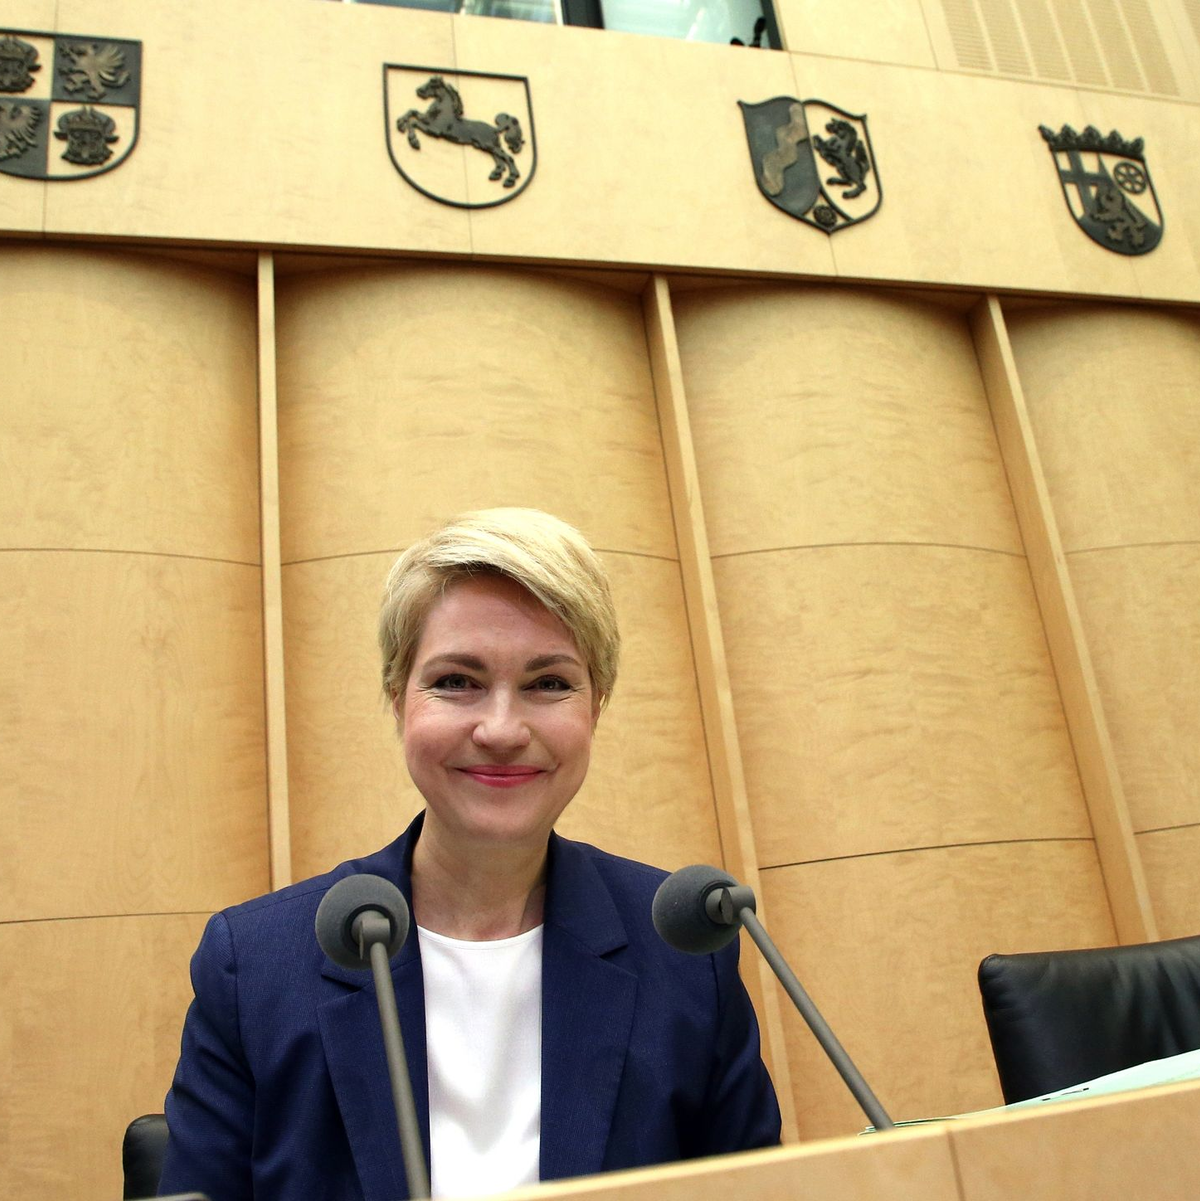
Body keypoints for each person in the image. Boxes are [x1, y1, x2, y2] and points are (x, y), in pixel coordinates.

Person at [159, 508, 781, 1201]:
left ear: (596, 705)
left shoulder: (686, 953)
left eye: (549, 683)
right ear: (398, 698)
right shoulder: (254, 964)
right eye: (457, 680)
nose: (502, 728)